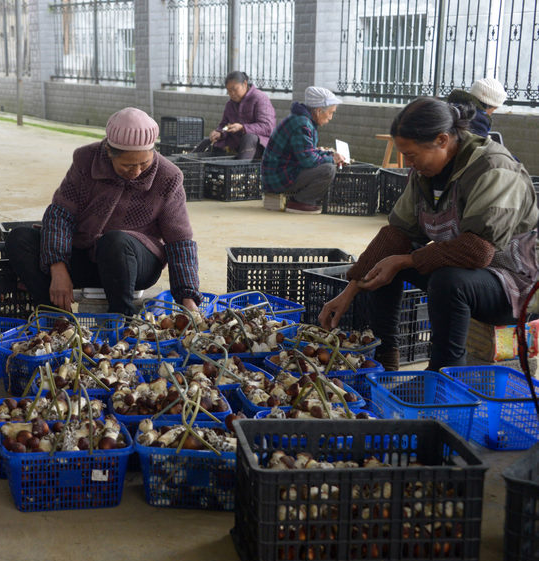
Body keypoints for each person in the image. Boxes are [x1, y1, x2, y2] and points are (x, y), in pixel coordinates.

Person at [318, 97, 537, 372]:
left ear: (442, 140)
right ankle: (384, 359)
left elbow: (478, 250)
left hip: (515, 285)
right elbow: (397, 233)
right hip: (469, 269)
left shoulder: (493, 169)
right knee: (384, 263)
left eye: (412, 155)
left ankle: (442, 374)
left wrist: (404, 261)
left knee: (448, 280)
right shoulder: (424, 174)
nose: (408, 163)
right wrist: (350, 289)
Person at [5, 107, 201, 317]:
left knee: (115, 241)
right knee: (20, 238)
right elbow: (60, 214)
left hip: (132, 263)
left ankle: (122, 321)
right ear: (109, 152)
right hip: (86, 258)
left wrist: (187, 297)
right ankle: (56, 317)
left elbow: (179, 241)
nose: (136, 172)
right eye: (127, 165)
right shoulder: (86, 160)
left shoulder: (169, 177)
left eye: (144, 164)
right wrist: (58, 267)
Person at [260, 86, 347, 214]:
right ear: (318, 111)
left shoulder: (303, 120)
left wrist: (330, 154)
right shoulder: (302, 124)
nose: (330, 117)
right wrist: (332, 159)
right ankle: (300, 202)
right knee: (328, 169)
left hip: (281, 174)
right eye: (330, 112)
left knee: (328, 164)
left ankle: (299, 200)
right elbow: (308, 160)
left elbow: (308, 152)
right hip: (278, 178)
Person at [195, 71, 276, 160]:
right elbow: (225, 125)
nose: (232, 93)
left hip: (259, 146)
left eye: (235, 89)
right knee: (208, 141)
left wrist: (242, 128)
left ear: (245, 84)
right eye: (229, 91)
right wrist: (220, 132)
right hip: (235, 143)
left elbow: (268, 127)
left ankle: (241, 169)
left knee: (249, 137)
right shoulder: (230, 104)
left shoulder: (260, 98)